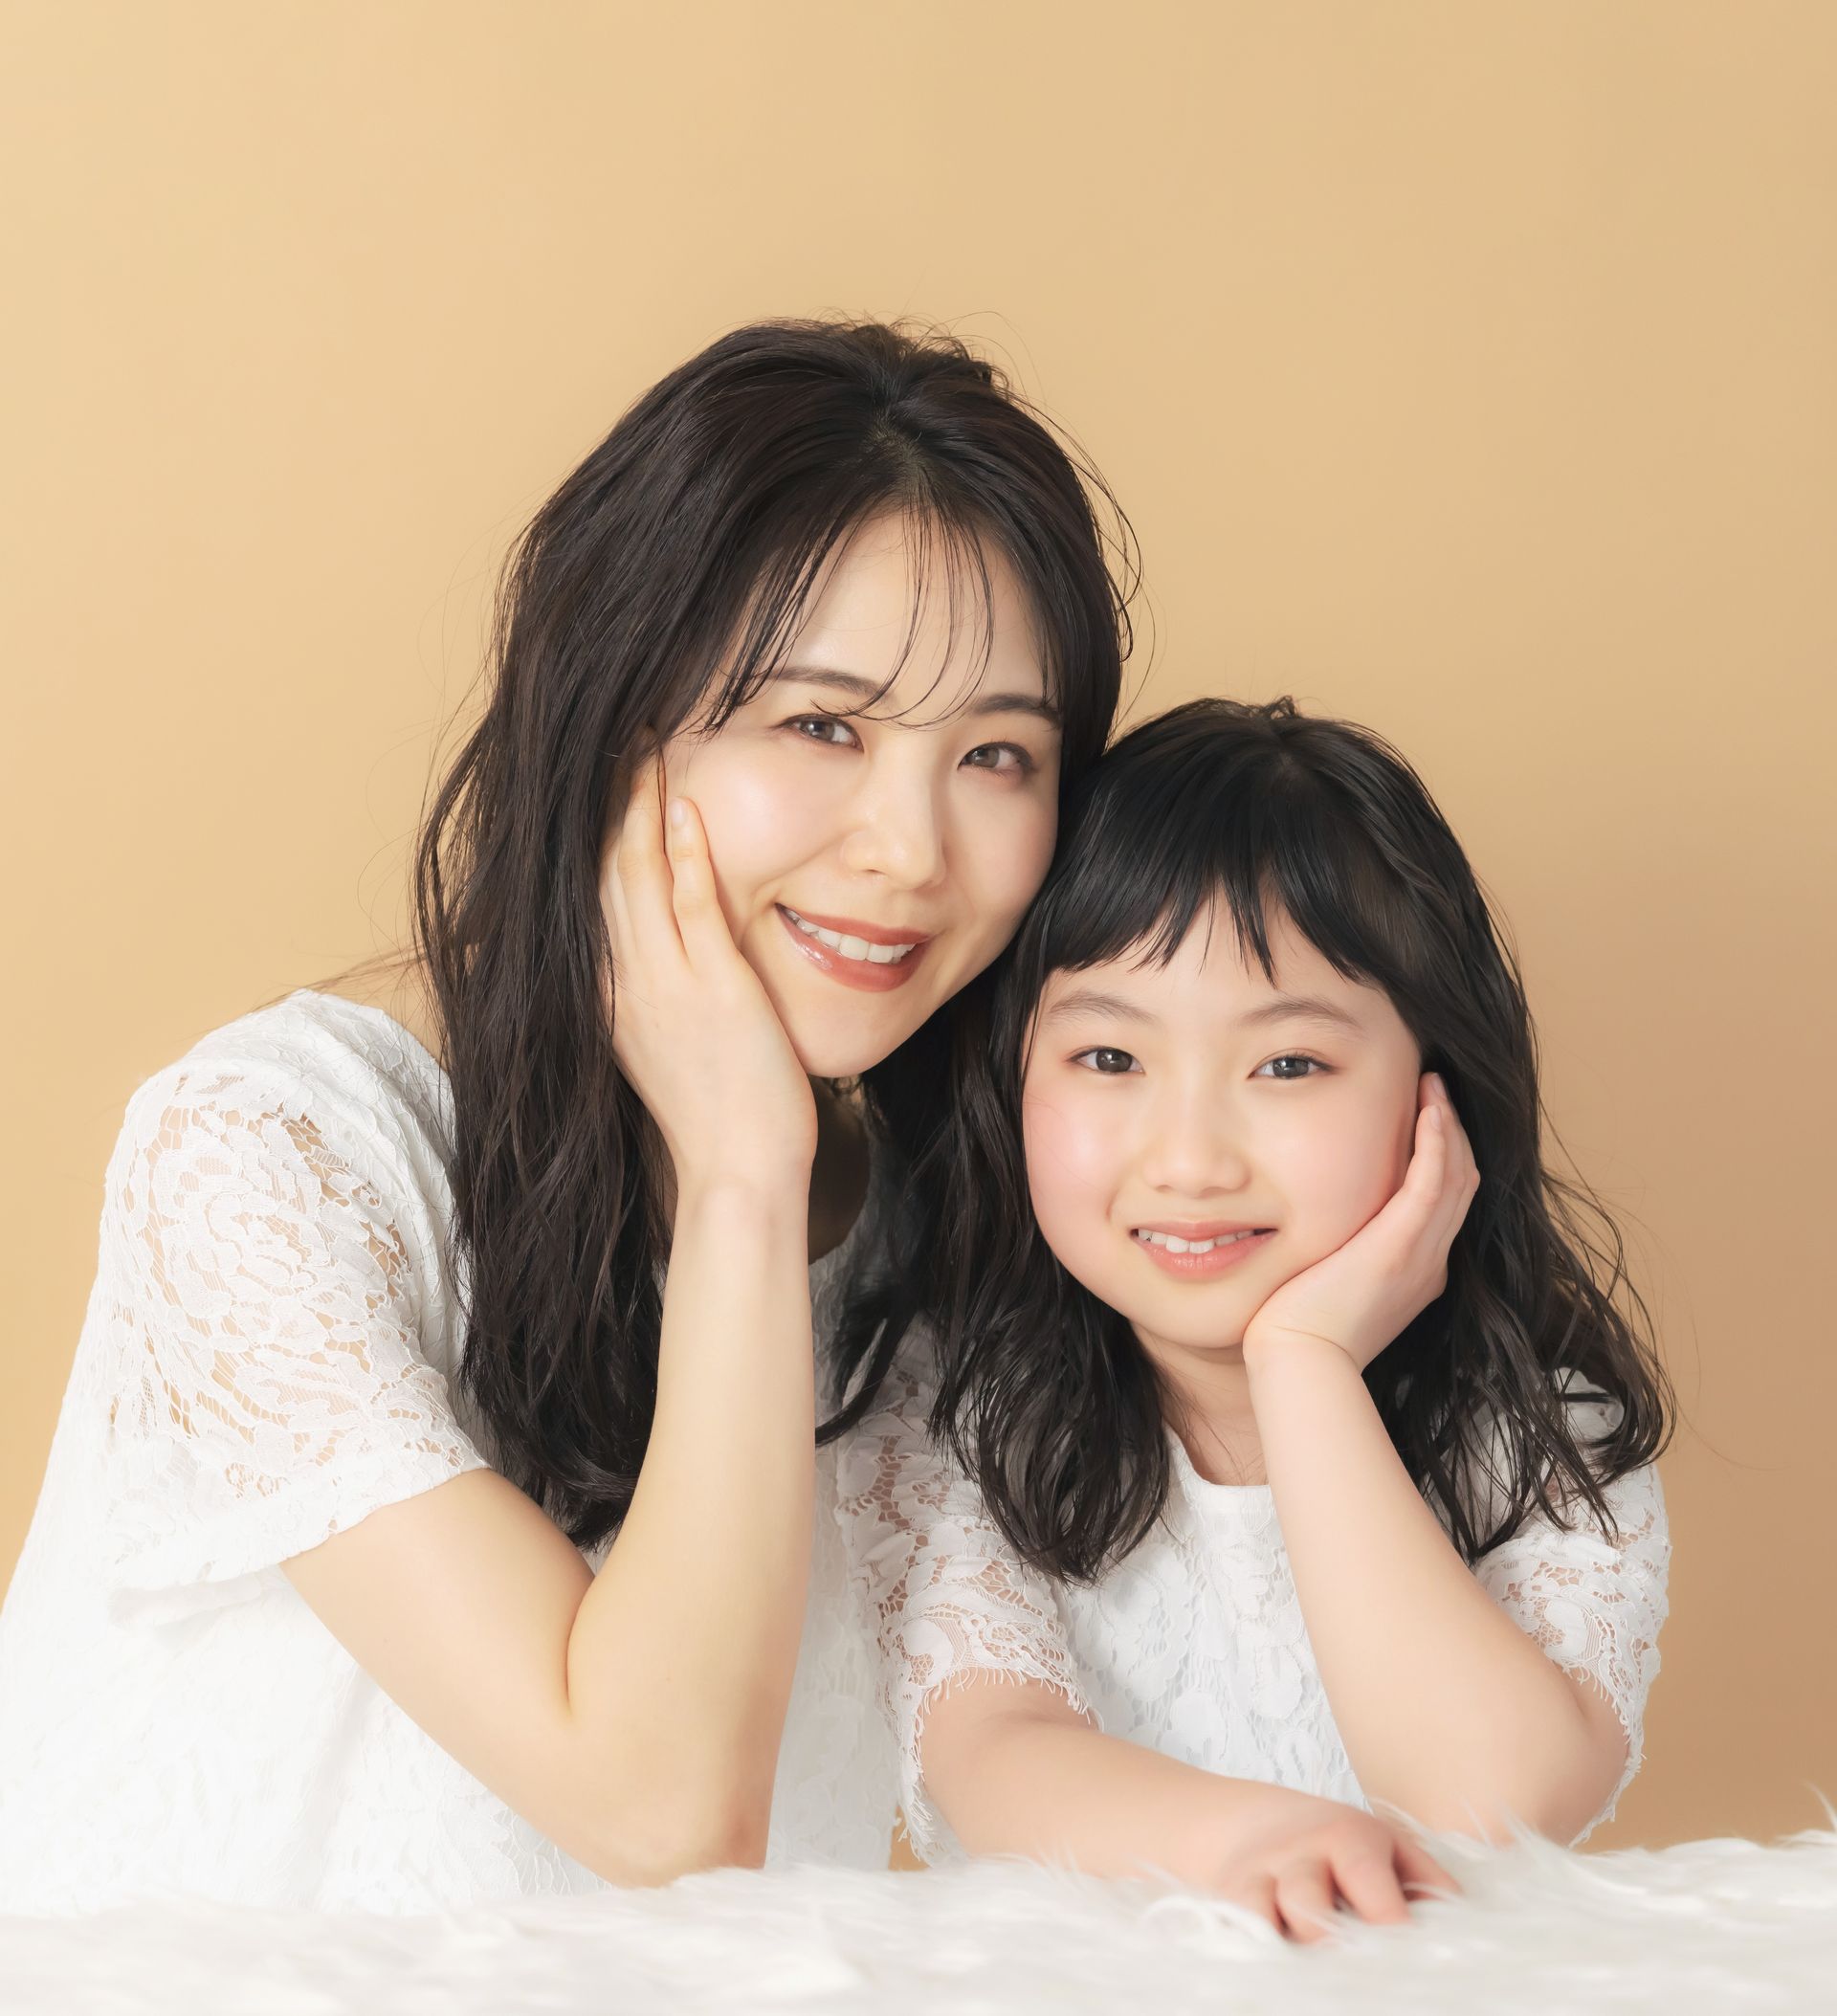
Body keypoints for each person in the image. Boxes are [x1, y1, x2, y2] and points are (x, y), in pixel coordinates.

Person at [0, 319, 1135, 1912]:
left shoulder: (930, 1250)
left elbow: (1004, 1746)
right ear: (610, 729)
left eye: (998, 755)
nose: (911, 847)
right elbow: (656, 1804)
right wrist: (744, 1175)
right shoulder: (270, 1152)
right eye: (821, 726)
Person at [837, 697, 1673, 1941]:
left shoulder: (1546, 1425)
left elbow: (1489, 1803)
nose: (1187, 1158)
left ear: (1436, 1091)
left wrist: (1307, 1363)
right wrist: (1254, 1848)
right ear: (1011, 1078)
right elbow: (990, 1747)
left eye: (1286, 1066)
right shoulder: (952, 1404)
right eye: (1109, 1059)